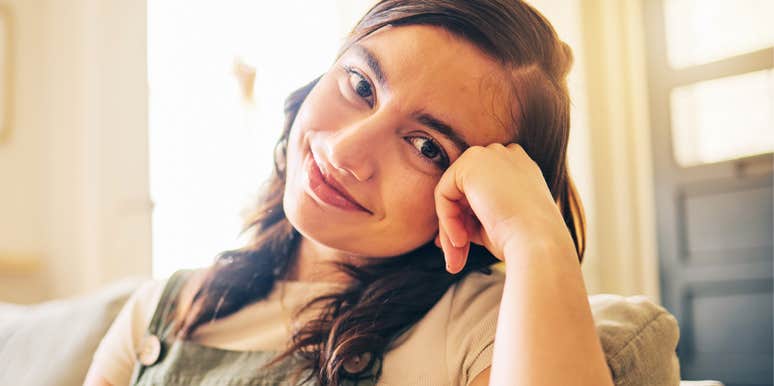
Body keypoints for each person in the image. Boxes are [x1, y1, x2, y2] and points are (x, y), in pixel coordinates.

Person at [85, 0, 615, 385]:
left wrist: (536, 236)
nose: (345, 151)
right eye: (361, 86)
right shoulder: (158, 311)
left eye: (426, 147)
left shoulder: (485, 329)